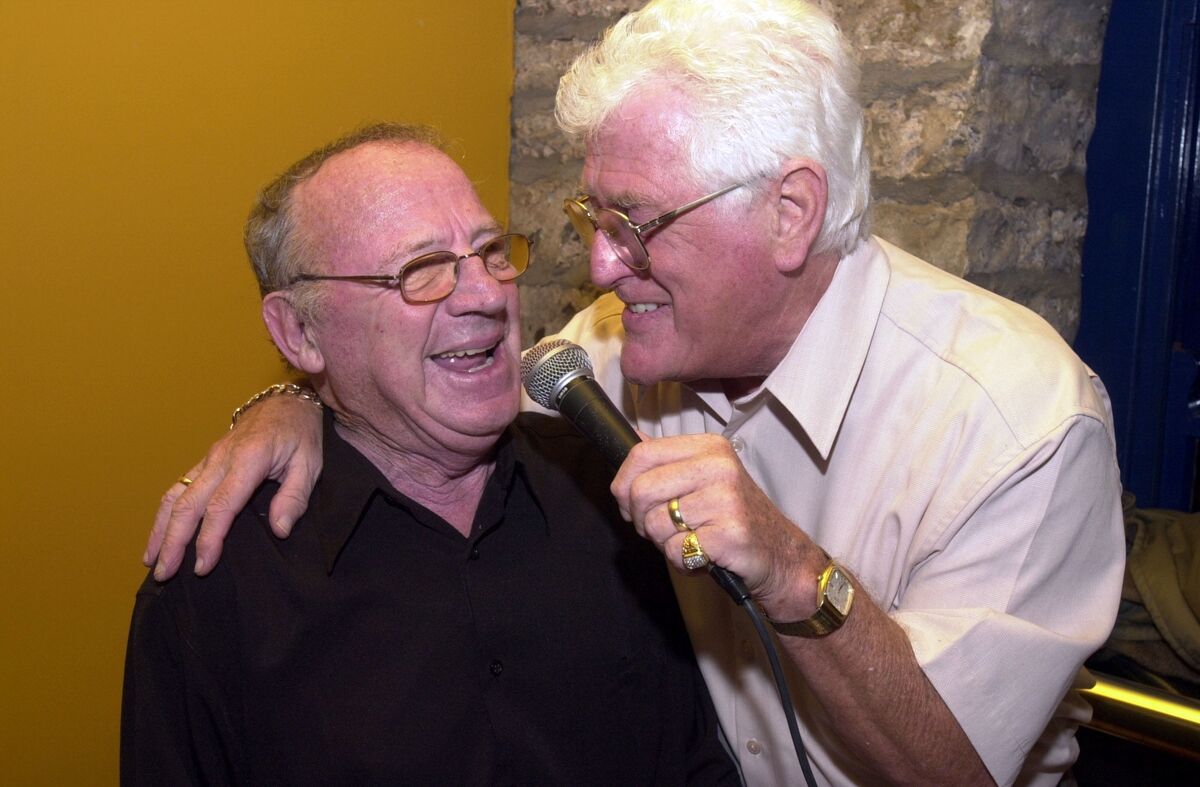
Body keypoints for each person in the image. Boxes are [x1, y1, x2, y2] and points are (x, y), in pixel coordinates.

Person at [144, 2, 1127, 784]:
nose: (602, 265)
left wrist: (793, 572)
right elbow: (433, 383)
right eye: (591, 216)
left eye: (637, 221)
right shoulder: (618, 354)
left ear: (789, 213)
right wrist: (293, 400)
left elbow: (951, 774)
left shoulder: (1018, 418)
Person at [121, 123, 738, 785]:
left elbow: (693, 760)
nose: (484, 296)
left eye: (490, 252)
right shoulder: (218, 581)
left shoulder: (608, 482)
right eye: (420, 271)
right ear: (299, 330)